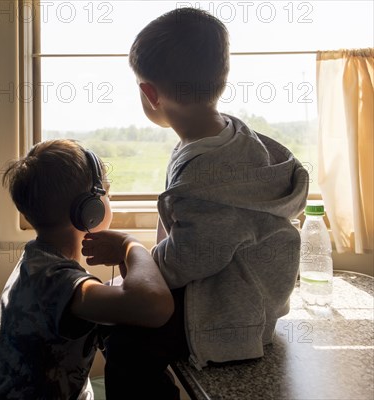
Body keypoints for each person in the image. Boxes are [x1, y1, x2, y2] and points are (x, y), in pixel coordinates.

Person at [86, 7, 310, 399]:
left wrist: (133, 256)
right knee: (122, 307)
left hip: (230, 314)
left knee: (125, 341)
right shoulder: (234, 138)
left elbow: (189, 260)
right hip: (243, 291)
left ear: (150, 93)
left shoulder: (204, 173)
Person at [0, 139, 174, 400]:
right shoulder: (56, 279)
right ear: (89, 209)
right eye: (107, 193)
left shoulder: (37, 262)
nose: (109, 199)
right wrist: (130, 244)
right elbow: (155, 308)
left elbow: (122, 304)